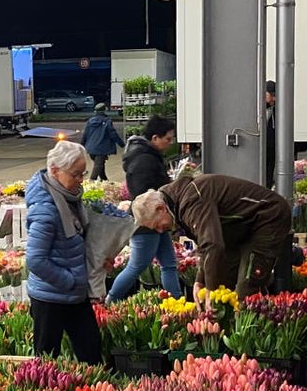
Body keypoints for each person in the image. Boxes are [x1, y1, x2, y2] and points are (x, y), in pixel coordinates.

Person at [132, 173, 292, 294]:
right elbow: (206, 244)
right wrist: (199, 282)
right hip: (240, 229)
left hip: (268, 217)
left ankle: (252, 331)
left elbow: (212, 245)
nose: (160, 231)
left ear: (161, 209)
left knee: (247, 287)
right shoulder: (180, 204)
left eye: (157, 225)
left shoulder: (191, 201)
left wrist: (209, 290)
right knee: (224, 285)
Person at [24, 140, 103, 363]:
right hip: (51, 297)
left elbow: (76, 240)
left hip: (75, 293)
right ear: (55, 171)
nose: (80, 181)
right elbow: (35, 260)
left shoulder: (69, 199)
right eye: (75, 175)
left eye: (83, 174)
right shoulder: (46, 209)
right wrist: (69, 280)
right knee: (47, 359)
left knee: (92, 351)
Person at [108, 116, 182, 301]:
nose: (170, 143)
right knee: (137, 266)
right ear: (155, 138)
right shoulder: (144, 161)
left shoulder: (146, 155)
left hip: (158, 219)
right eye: (168, 139)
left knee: (169, 264)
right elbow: (144, 196)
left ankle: (177, 300)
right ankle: (110, 300)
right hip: (147, 221)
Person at [81, 102, 125, 181]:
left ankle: (105, 181)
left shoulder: (90, 121)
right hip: (101, 148)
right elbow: (113, 134)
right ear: (104, 110)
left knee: (100, 166)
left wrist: (81, 146)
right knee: (98, 167)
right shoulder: (107, 121)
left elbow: (85, 134)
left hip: (91, 149)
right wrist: (122, 144)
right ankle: (91, 183)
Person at [263, 80, 277, 188]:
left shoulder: (275, 109)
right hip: (263, 145)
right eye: (271, 95)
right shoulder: (259, 109)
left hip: (271, 147)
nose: (273, 99)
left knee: (269, 169)